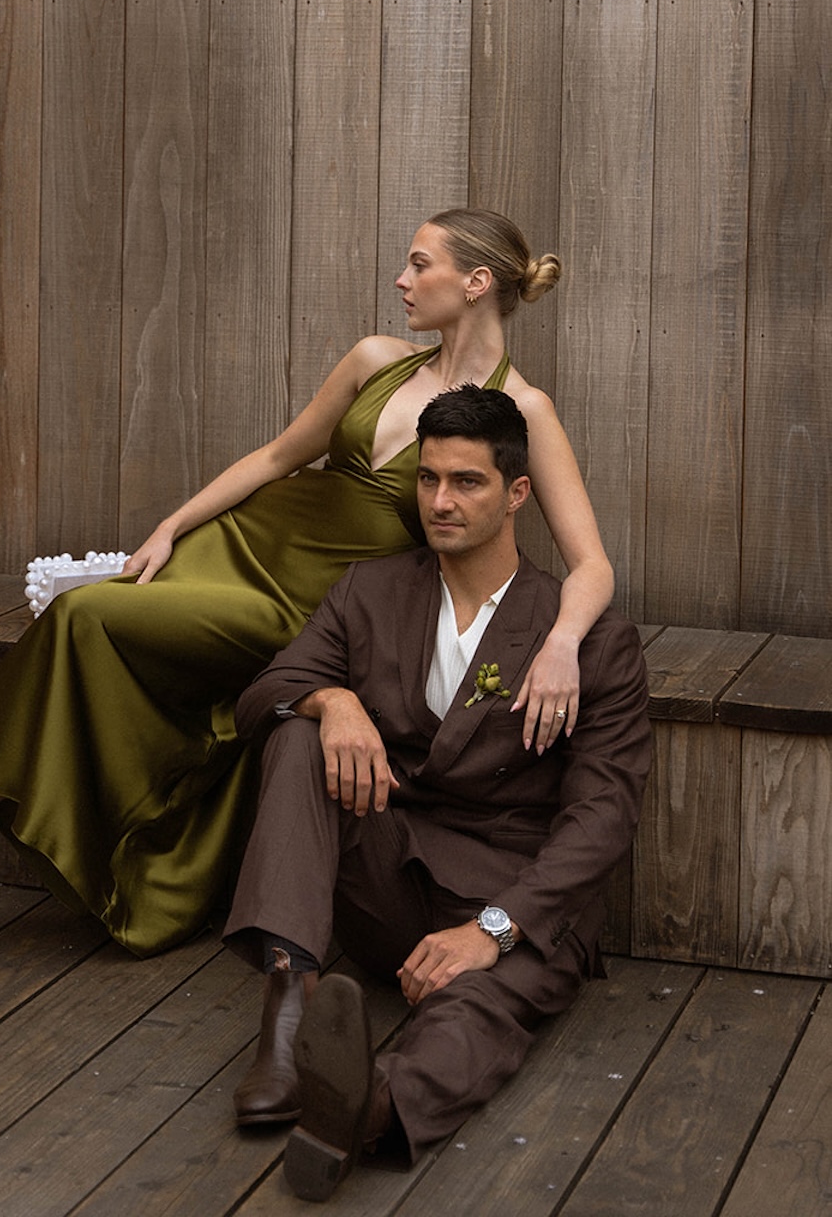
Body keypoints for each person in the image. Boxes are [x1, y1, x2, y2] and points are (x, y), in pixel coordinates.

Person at [0, 208, 614, 960]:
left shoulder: (523, 410)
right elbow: (275, 459)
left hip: (305, 607)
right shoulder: (375, 362)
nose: (401, 280)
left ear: (474, 283)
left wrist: (563, 645)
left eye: (418, 263)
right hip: (242, 548)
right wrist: (171, 527)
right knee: (84, 625)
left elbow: (592, 564)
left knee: (84, 622)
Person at [223, 385, 649, 1203]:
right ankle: (287, 1012)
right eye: (428, 481)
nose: (441, 502)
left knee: (480, 1010)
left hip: (511, 898)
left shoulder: (588, 638)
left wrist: (493, 930)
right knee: (294, 729)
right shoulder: (369, 592)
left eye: (467, 482)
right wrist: (331, 701)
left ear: (517, 493)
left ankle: (367, 1108)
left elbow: (604, 816)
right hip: (385, 875)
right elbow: (266, 689)